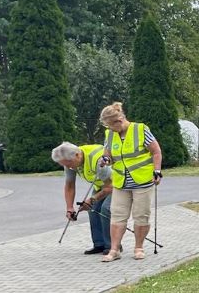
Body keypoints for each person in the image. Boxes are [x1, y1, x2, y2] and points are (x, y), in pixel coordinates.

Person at [98, 102, 162, 262]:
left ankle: (138, 247)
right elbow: (108, 154)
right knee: (117, 216)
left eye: (110, 126)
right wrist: (105, 159)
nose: (110, 129)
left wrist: (157, 170)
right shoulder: (110, 134)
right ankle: (114, 250)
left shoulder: (141, 129)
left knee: (141, 216)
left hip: (142, 180)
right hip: (120, 181)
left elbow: (156, 151)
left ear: (118, 121)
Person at [52, 141, 114, 256]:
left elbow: (110, 187)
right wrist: (69, 208)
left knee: (106, 209)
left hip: (117, 184)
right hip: (101, 185)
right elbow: (69, 185)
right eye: (64, 165)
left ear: (77, 155)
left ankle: (112, 246)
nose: (68, 167)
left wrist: (92, 199)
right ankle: (99, 244)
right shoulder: (70, 161)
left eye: (69, 164)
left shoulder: (97, 159)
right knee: (93, 209)